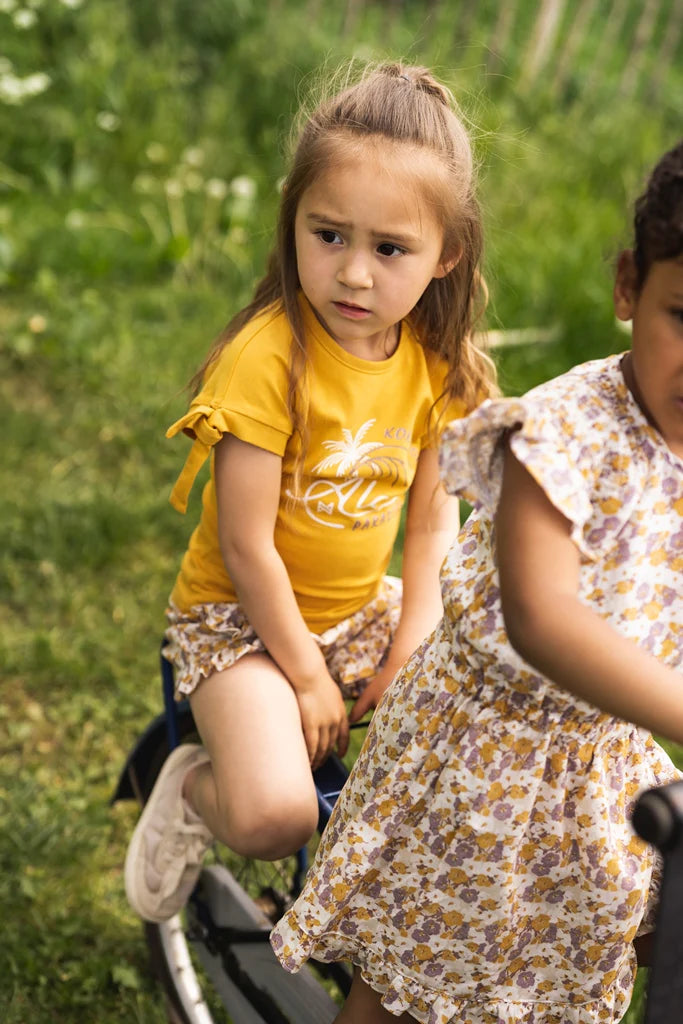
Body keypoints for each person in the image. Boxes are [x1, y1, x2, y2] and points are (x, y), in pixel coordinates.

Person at [270, 138, 683, 1024]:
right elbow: (543, 617)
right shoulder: (562, 435)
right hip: (485, 759)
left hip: (601, 759)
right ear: (627, 287)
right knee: (417, 979)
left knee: (598, 955)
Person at [124, 61, 498, 924]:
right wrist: (304, 676)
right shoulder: (267, 359)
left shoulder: (433, 366)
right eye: (329, 235)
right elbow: (247, 546)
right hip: (244, 622)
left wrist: (410, 642)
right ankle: (191, 791)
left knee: (478, 724)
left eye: (389, 249)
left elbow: (430, 523)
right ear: (293, 222)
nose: (354, 274)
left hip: (360, 608)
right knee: (274, 814)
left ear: (446, 255)